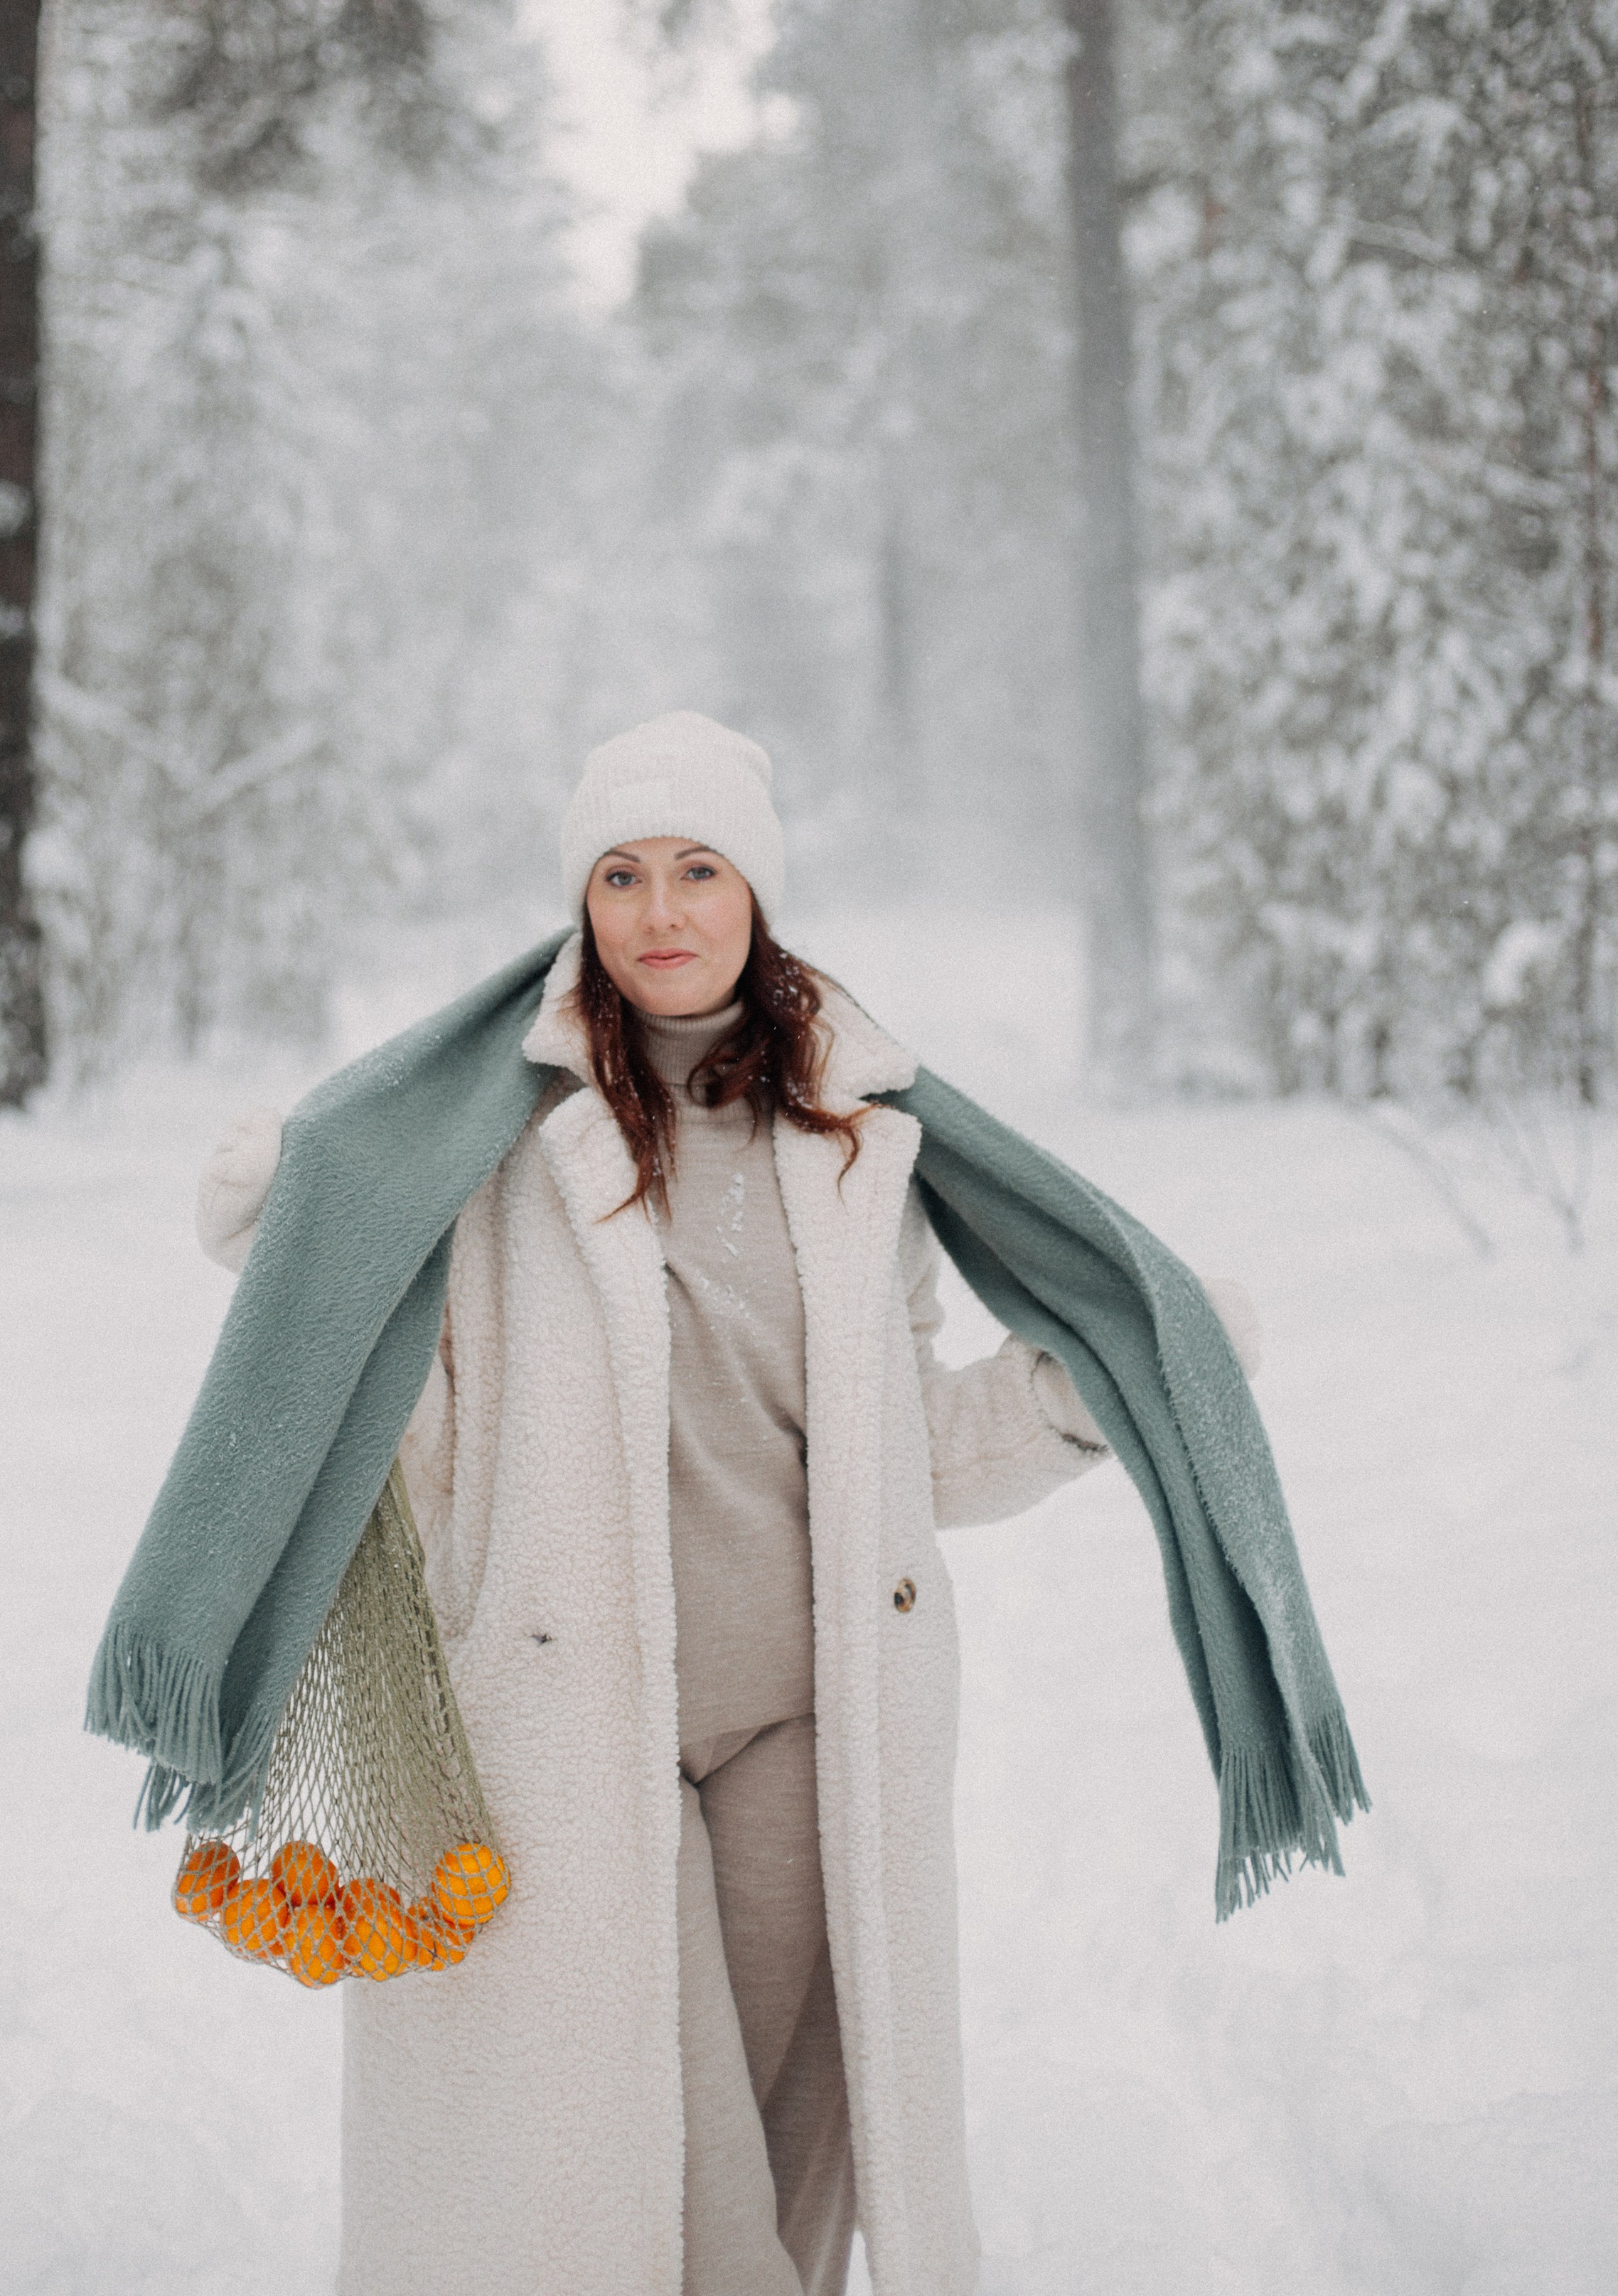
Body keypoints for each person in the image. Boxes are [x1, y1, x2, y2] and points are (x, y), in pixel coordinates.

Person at [193, 710, 1260, 2296]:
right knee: (655, 2178)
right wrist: (298, 1259)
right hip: (567, 1732)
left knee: (780, 2163)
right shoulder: (494, 1147)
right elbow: (417, 1448)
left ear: (756, 894)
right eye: (619, 875)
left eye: (697, 869)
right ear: (583, 905)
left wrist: (1072, 1398)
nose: (660, 911)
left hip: (806, 1729)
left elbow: (897, 1460)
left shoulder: (855, 1148)